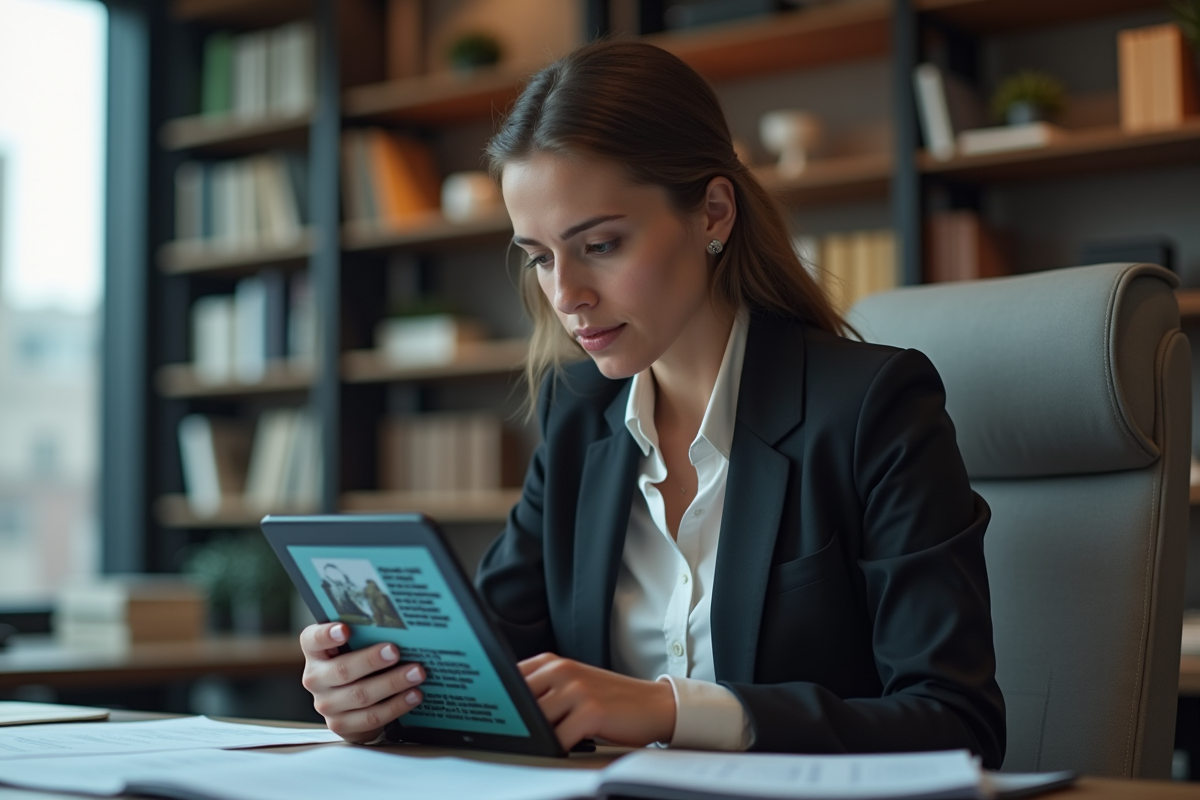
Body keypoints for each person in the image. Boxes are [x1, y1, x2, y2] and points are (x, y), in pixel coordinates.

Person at [299, 40, 1005, 766]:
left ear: (714, 213)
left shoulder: (873, 408)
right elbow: (492, 670)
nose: (566, 295)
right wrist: (379, 694)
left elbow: (957, 723)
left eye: (601, 245)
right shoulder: (577, 416)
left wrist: (668, 709)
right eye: (539, 257)